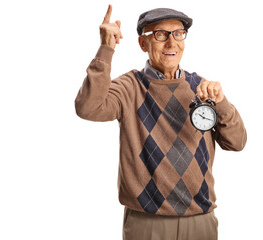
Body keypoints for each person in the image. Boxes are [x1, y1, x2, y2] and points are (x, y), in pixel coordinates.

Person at [75, 5, 247, 240]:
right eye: (160, 35)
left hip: (200, 220)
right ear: (143, 44)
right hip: (146, 223)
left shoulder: (201, 87)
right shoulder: (129, 87)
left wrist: (222, 103)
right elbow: (88, 107)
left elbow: (237, 143)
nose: (171, 43)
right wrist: (106, 48)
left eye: (178, 34)